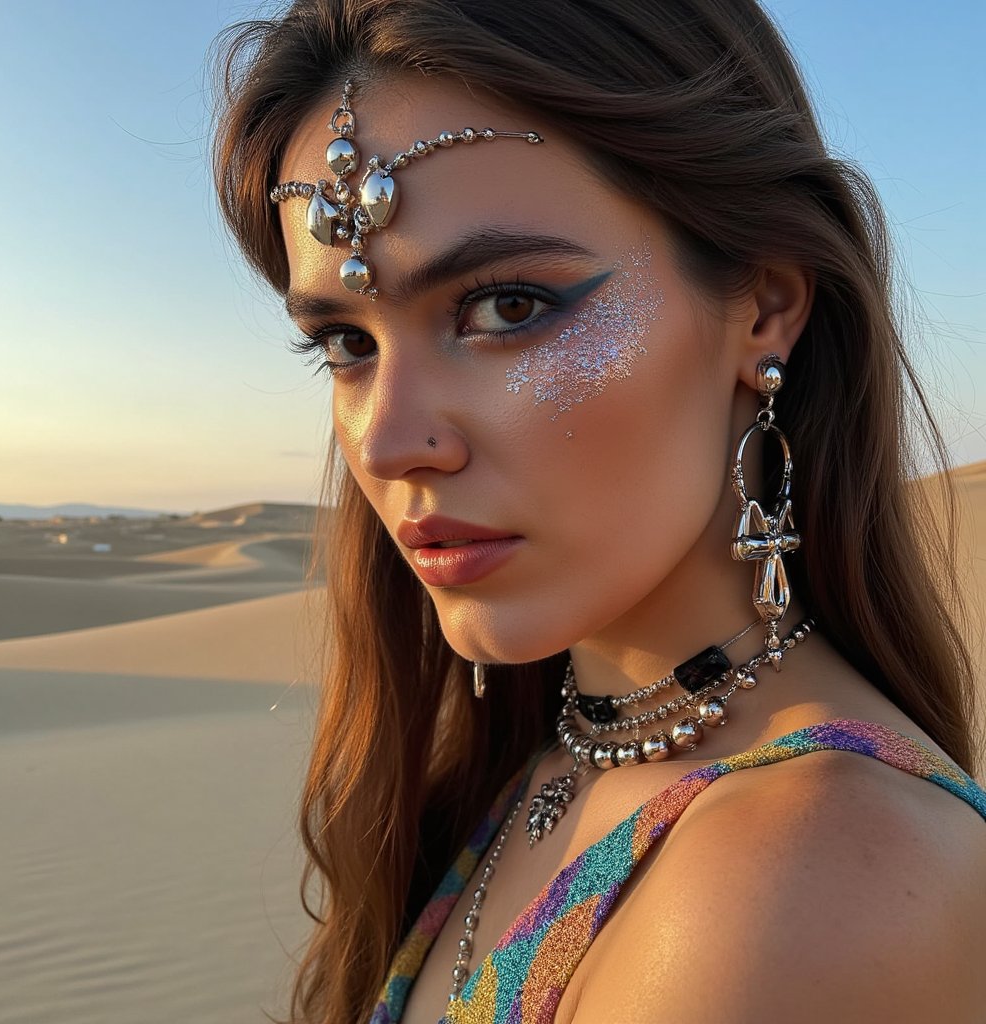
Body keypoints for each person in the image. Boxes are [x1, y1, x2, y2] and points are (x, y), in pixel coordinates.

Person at [210, 2, 986, 1021]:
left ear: (762, 306)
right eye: (348, 343)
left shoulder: (808, 877)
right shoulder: (540, 764)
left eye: (507, 307)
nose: (390, 443)